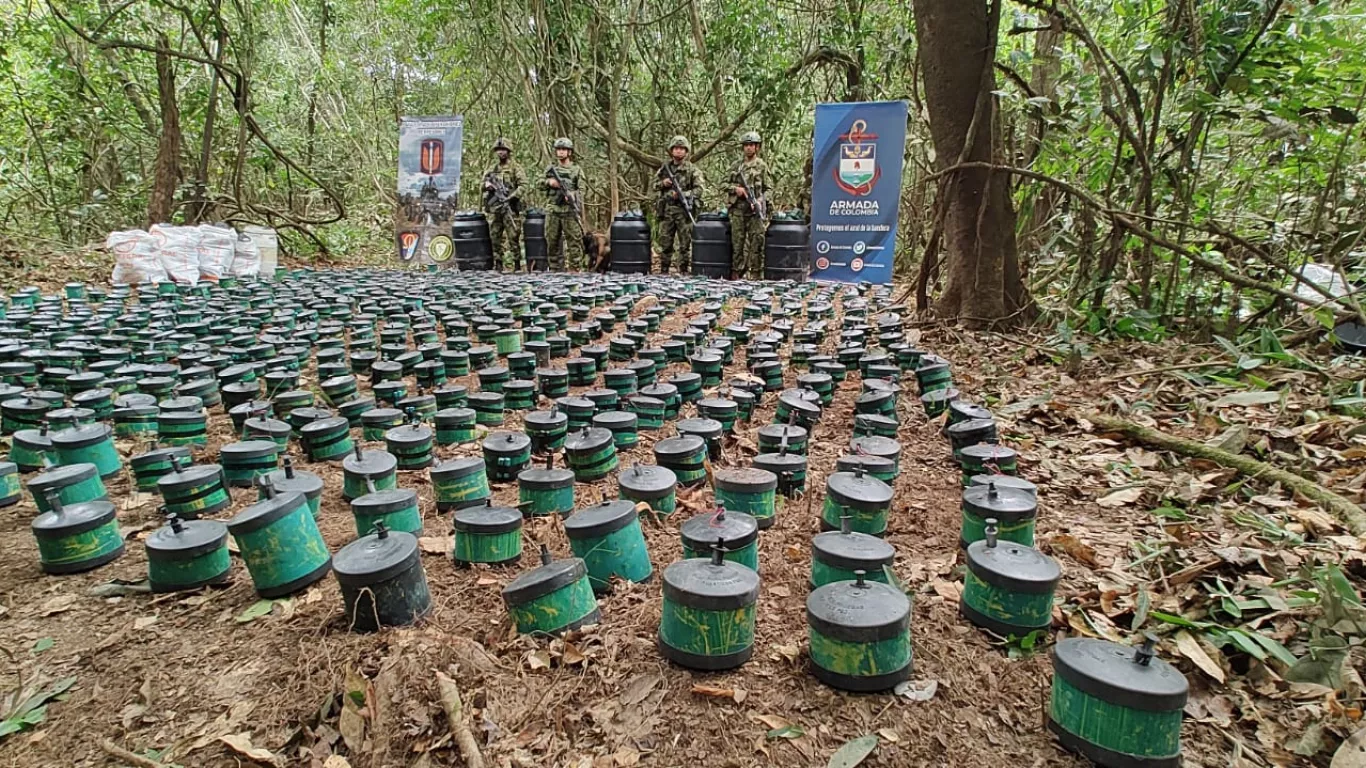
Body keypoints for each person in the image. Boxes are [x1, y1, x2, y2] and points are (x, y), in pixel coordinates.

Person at [723, 131, 770, 280]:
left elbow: (769, 189)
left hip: (755, 211)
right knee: (737, 243)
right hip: (737, 210)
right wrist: (736, 190)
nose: (749, 148)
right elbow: (723, 184)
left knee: (757, 242)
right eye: (746, 145)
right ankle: (737, 272)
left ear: (757, 147)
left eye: (752, 145)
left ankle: (755, 274)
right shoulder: (736, 166)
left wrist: (760, 200)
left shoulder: (762, 166)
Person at [654, 135, 704, 274]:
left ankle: (683, 270)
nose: (679, 151)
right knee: (665, 242)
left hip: (684, 211)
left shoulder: (692, 170)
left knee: (685, 244)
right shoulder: (665, 168)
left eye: (682, 149)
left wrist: (684, 194)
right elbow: (654, 185)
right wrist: (663, 183)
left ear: (686, 152)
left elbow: (699, 190)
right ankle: (664, 270)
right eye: (676, 148)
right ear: (672, 150)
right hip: (667, 210)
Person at [540, 137, 586, 271]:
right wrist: (549, 182)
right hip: (553, 210)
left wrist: (573, 195)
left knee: (574, 242)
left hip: (569, 211)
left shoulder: (576, 170)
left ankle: (574, 269)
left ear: (569, 152)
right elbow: (539, 184)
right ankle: (554, 269)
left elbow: (583, 190)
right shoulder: (551, 170)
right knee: (551, 241)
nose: (560, 152)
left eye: (563, 150)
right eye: (558, 149)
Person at [482, 137, 527, 271]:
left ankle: (517, 264)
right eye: (498, 150)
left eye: (503, 150)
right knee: (495, 236)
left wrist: (511, 197)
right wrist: (487, 185)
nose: (501, 152)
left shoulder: (515, 168)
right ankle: (498, 263)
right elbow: (481, 184)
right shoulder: (492, 169)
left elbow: (523, 186)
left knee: (513, 236)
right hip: (495, 208)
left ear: (508, 151)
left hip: (511, 208)